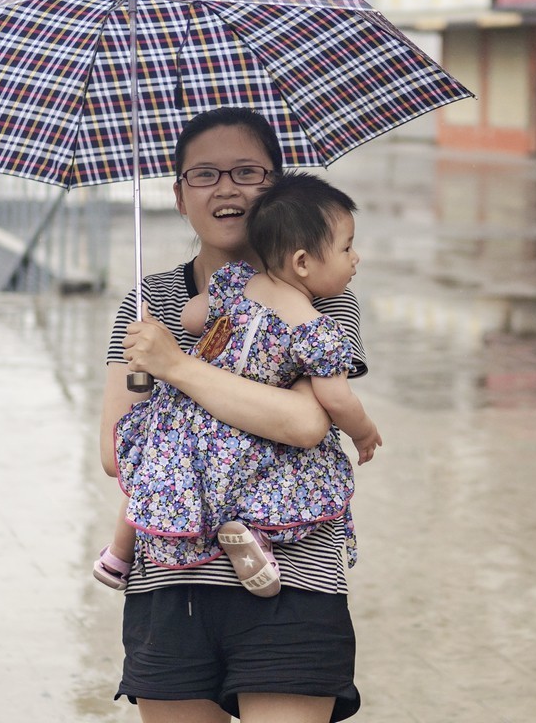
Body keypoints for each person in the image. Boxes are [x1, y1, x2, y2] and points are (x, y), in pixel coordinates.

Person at [99, 108, 368, 722]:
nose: (227, 187)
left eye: (248, 171)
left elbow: (305, 423)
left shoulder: (320, 294)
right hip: (169, 581)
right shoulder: (148, 305)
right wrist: (164, 357)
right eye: (204, 174)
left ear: (275, 186)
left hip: (294, 580)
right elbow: (117, 453)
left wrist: (181, 367)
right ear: (177, 195)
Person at [94, 172, 381, 599]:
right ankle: (252, 535)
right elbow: (335, 398)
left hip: (185, 412)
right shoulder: (314, 327)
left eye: (247, 172)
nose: (355, 258)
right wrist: (364, 432)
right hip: (249, 424)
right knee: (261, 474)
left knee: (153, 469)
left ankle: (117, 555)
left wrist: (164, 339)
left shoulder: (235, 283)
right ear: (302, 262)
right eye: (347, 247)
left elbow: (193, 317)